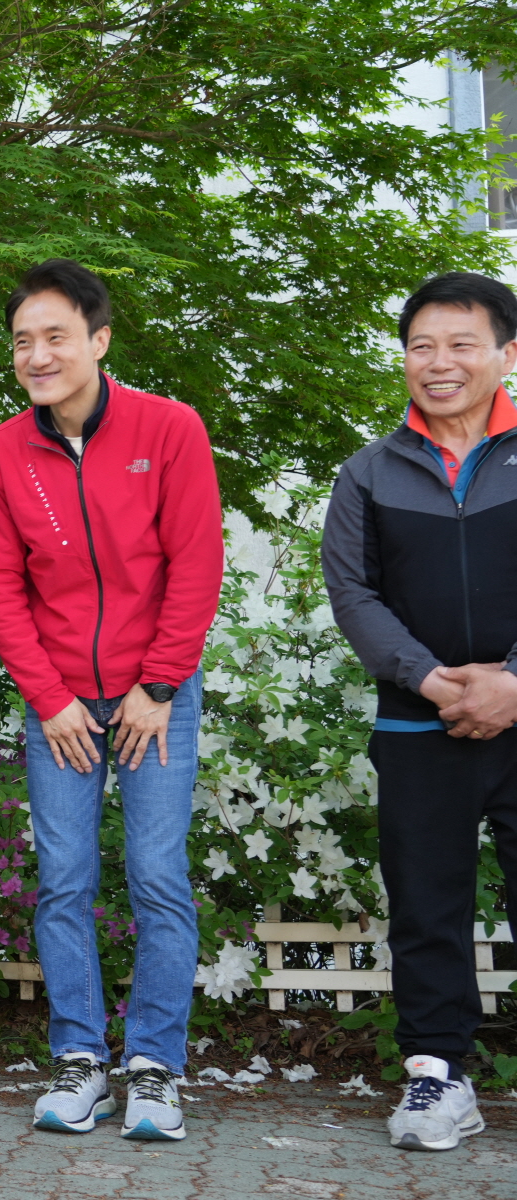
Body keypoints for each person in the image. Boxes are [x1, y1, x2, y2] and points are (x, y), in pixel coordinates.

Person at [0, 259, 223, 1142]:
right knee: (63, 881)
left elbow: (195, 566)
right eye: (22, 342)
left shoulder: (171, 428)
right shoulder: (3, 451)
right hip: (62, 709)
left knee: (157, 879)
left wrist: (157, 686)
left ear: (99, 341)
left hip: (158, 696)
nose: (38, 355)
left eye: (55, 337)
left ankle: (154, 1068)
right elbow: (2, 589)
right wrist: (49, 700)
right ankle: (80, 1059)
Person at [322, 271, 517, 1152]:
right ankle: (438, 1081)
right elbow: (355, 594)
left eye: (460, 344)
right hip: (416, 726)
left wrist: (514, 683)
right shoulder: (368, 472)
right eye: (420, 347)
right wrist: (437, 683)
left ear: (505, 355)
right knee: (426, 907)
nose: (438, 364)